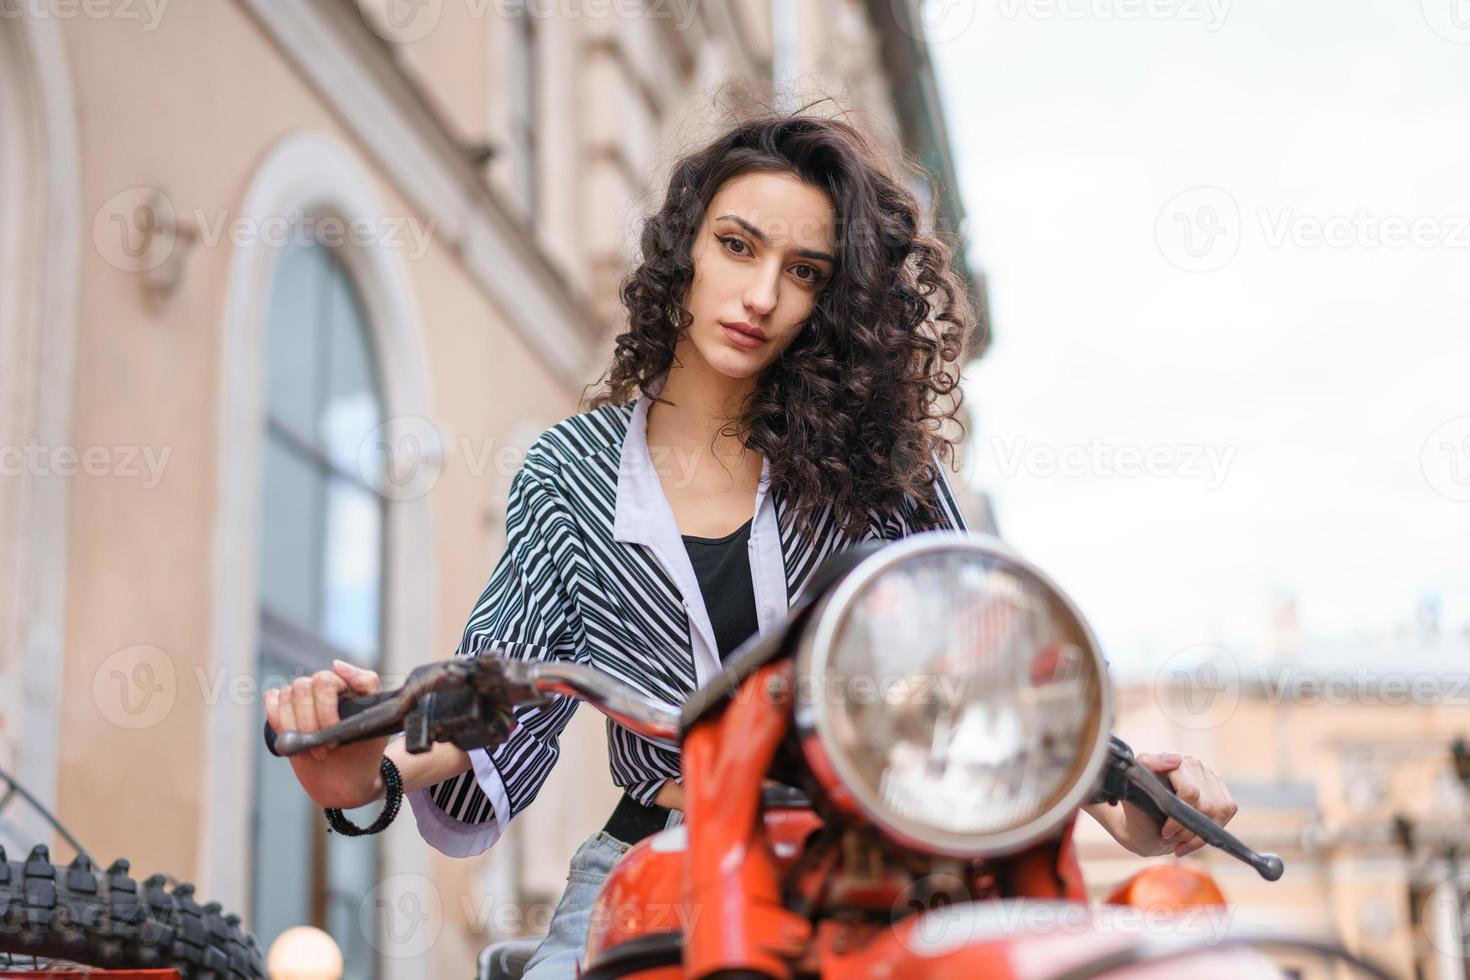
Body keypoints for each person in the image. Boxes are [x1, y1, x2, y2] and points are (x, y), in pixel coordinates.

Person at [264, 111, 1238, 977]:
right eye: (738, 245)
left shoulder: (882, 466)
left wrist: (1134, 797)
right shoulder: (568, 473)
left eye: (804, 271)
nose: (761, 293)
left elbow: (990, 656)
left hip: (876, 867)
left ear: (833, 297)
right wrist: (372, 764)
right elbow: (502, 701)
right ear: (687, 249)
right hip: (658, 854)